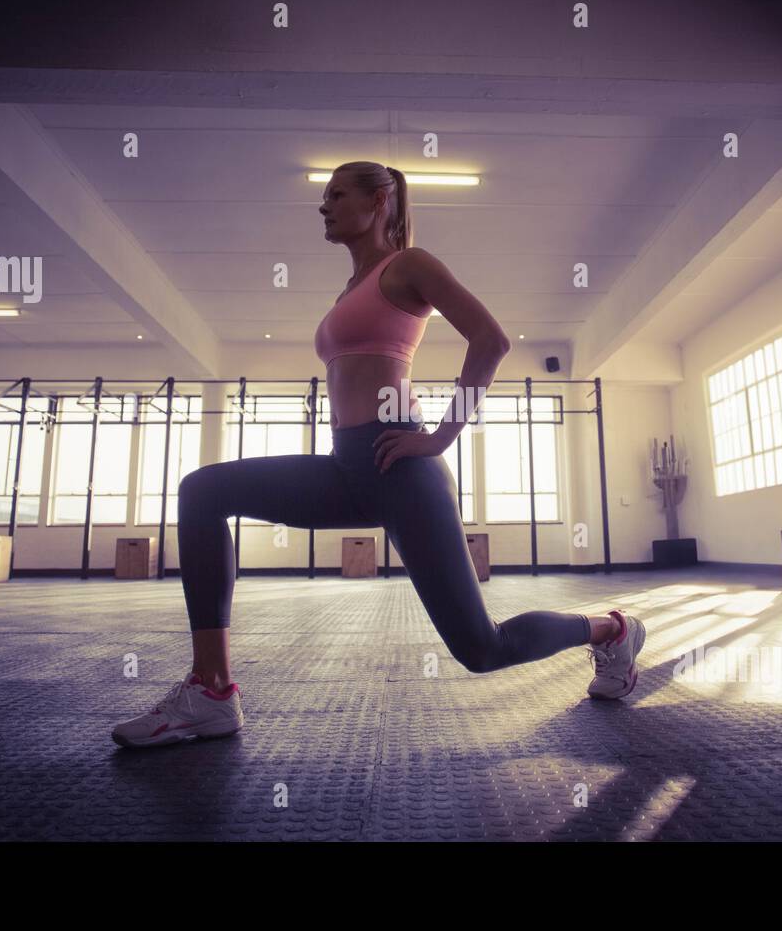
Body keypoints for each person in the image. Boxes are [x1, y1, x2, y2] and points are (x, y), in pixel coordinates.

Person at [112, 161, 645, 748]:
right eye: (324, 196)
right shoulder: (351, 287)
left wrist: (441, 436)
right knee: (203, 490)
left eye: (337, 194)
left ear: (381, 199)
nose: (324, 205)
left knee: (482, 649)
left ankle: (612, 630)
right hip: (347, 467)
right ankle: (212, 690)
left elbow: (490, 340)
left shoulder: (409, 264)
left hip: (401, 468)